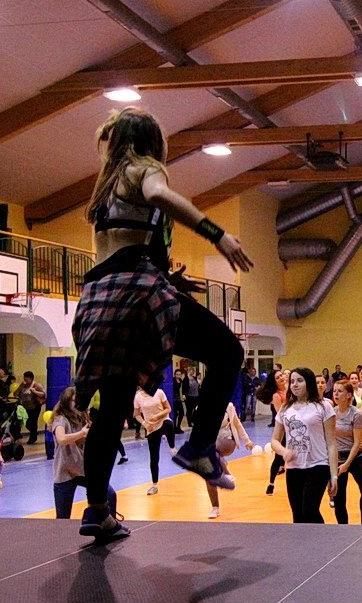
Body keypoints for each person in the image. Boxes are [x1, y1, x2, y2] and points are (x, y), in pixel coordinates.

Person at [74, 106, 252, 539]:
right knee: (229, 352)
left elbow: (121, 246)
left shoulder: (104, 188)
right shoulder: (144, 168)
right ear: (152, 141)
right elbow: (159, 194)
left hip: (99, 298)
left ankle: (97, 510)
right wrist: (216, 234)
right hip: (138, 292)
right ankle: (200, 447)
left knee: (112, 408)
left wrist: (170, 279)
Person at [271, 367, 337, 524]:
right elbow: (274, 441)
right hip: (294, 468)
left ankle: (323, 543)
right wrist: (284, 451)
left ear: (308, 383)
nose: (294, 384)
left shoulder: (323, 406)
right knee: (298, 515)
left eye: (299, 381)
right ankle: (303, 547)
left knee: (309, 510)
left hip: (318, 466)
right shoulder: (285, 409)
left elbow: (332, 443)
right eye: (292, 381)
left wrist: (333, 475)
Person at [51, 388, 117, 520]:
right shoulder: (60, 420)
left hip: (82, 469)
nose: (78, 403)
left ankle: (110, 523)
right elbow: (62, 439)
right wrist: (82, 433)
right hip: (64, 472)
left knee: (110, 494)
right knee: (62, 517)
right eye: (75, 400)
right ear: (66, 402)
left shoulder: (83, 417)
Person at [330, 380, 362, 524]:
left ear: (349, 395)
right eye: (334, 391)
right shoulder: (331, 413)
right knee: (338, 496)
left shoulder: (356, 414)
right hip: (338, 456)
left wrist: (347, 463)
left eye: (340, 391)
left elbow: (357, 442)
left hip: (355, 455)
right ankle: (343, 527)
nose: (336, 394)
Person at [206, 402, 254, 518]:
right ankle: (215, 508)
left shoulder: (229, 406)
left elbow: (237, 424)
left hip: (227, 441)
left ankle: (226, 473)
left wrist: (247, 441)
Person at [133, 384, 175, 495]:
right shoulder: (138, 397)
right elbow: (137, 414)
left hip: (163, 420)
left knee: (169, 425)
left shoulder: (159, 392)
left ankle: (172, 447)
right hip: (151, 427)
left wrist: (157, 416)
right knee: (154, 457)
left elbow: (168, 409)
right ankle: (155, 485)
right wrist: (145, 424)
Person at [15, 372, 47, 443]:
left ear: (31, 378)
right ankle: (34, 433)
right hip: (25, 407)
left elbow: (44, 394)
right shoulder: (23, 386)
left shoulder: (36, 385)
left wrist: (35, 391)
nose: (25, 380)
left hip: (35, 407)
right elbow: (15, 394)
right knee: (26, 422)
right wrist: (20, 387)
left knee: (33, 422)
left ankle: (32, 438)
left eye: (26, 379)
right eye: (24, 378)